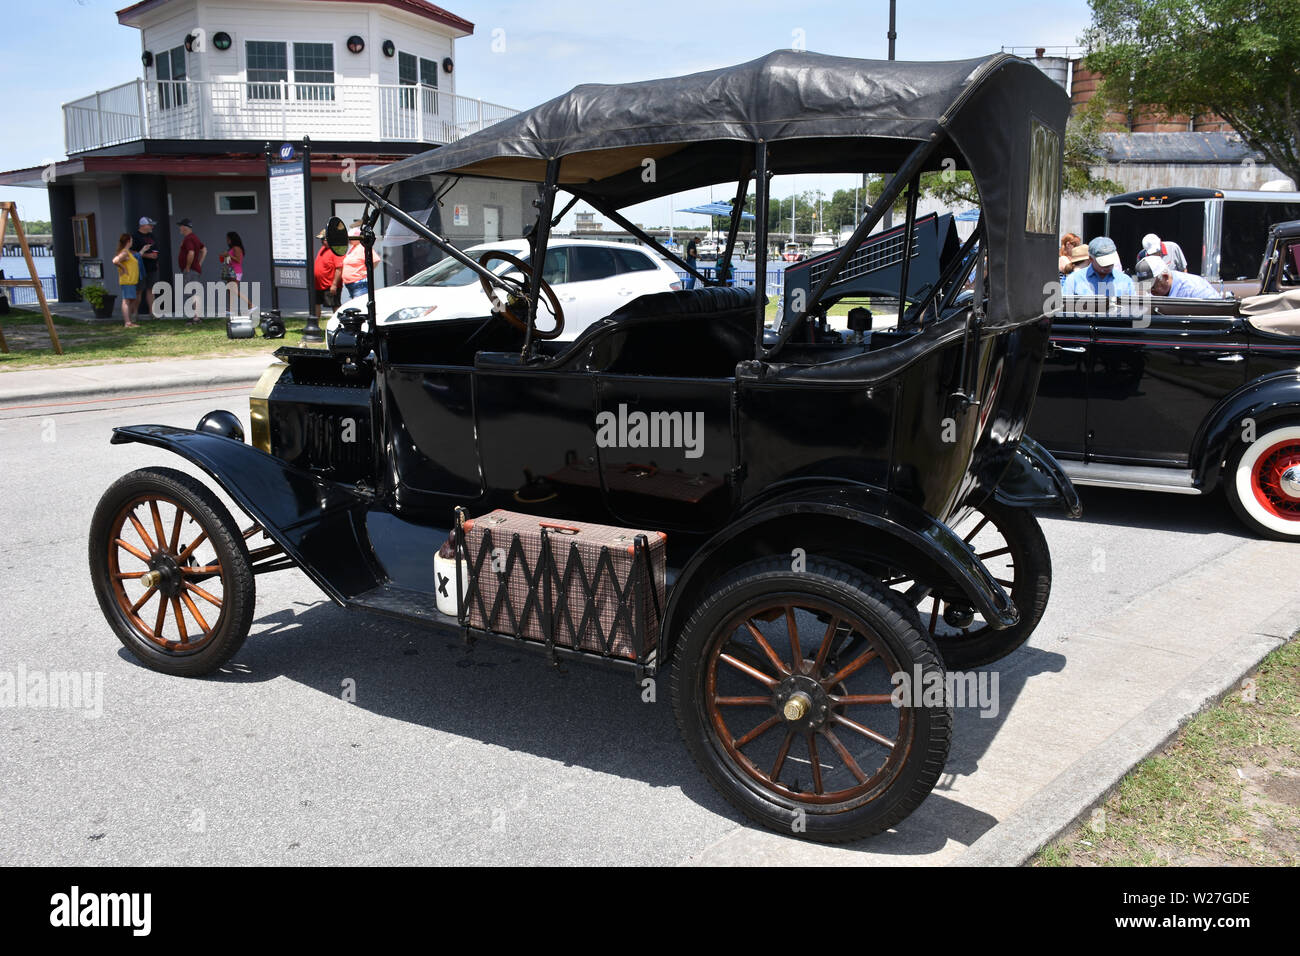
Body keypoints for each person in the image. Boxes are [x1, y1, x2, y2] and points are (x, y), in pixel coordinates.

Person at [1062, 236, 1135, 296]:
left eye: (1110, 261)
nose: (1108, 266)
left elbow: (1133, 310)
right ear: (1091, 259)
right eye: (1104, 263)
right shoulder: (1073, 280)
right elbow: (1063, 310)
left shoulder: (1125, 281)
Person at [1135, 255, 1223, 298]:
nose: (1150, 291)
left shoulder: (1195, 289)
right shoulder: (1149, 293)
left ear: (1165, 277)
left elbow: (1218, 311)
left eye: (1152, 287)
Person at [177, 219, 206, 324]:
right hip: (195, 269)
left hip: (191, 270)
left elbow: (191, 252)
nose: (179, 228)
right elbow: (204, 249)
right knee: (195, 293)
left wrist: (188, 266)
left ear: (185, 227)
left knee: (192, 293)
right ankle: (197, 316)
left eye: (180, 226)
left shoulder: (188, 239)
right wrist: (199, 263)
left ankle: (196, 317)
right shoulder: (194, 237)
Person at [341, 225, 381, 300]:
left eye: (351, 237)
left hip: (359, 284)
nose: (349, 239)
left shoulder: (362, 247)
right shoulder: (353, 248)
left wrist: (366, 271)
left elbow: (376, 260)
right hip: (353, 284)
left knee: (360, 304)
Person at [313, 229, 344, 320]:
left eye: (324, 239)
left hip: (330, 285)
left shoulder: (336, 251)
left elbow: (339, 269)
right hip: (318, 285)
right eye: (321, 239)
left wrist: (334, 285)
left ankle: (338, 324)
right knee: (316, 304)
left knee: (335, 305)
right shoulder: (323, 249)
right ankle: (315, 324)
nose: (322, 241)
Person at [218, 231, 253, 313]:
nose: (227, 240)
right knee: (229, 290)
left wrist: (228, 255)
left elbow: (238, 260)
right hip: (230, 271)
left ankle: (250, 304)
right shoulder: (231, 249)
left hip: (236, 271)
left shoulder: (236, 248)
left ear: (232, 239)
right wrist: (223, 256)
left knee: (233, 290)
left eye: (228, 239)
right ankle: (230, 309)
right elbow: (227, 260)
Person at [132, 216, 160, 316]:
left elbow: (156, 249)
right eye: (150, 225)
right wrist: (147, 255)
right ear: (143, 225)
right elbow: (132, 252)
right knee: (138, 290)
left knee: (151, 289)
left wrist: (155, 257)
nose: (152, 227)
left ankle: (152, 312)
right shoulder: (135, 236)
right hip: (140, 267)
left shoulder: (152, 236)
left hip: (152, 267)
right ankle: (135, 312)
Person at [111, 233, 140, 328]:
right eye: (131, 240)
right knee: (126, 301)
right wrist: (123, 268)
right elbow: (115, 260)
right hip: (127, 280)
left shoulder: (128, 252)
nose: (132, 242)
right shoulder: (125, 252)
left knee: (131, 300)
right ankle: (127, 322)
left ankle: (129, 321)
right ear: (128, 241)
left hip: (131, 280)